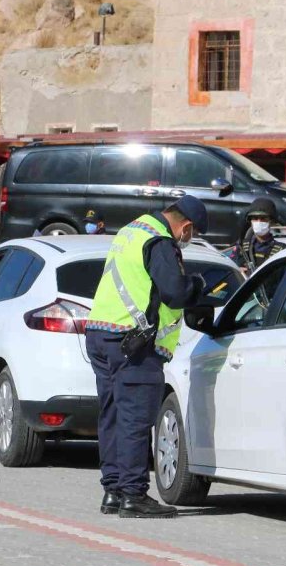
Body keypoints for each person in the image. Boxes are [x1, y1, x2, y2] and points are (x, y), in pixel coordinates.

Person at [85, 195, 208, 519]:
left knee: (112, 416)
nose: (189, 239)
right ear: (186, 226)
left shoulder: (132, 231)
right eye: (192, 234)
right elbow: (174, 293)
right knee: (135, 420)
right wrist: (196, 285)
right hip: (133, 343)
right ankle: (133, 495)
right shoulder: (160, 241)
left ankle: (113, 491)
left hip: (101, 334)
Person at [241, 198, 286, 271]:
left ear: (271, 221)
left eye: (263, 218)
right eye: (255, 218)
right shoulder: (242, 246)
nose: (259, 222)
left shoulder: (281, 250)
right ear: (250, 221)